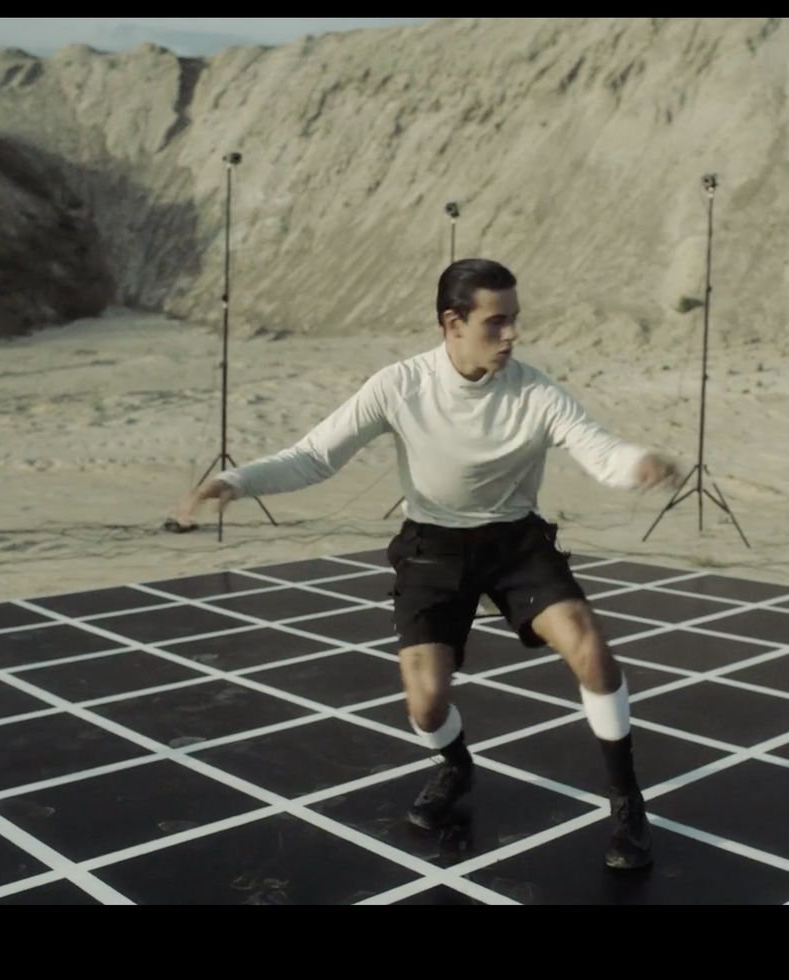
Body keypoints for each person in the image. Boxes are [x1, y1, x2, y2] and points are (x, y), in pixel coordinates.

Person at [170, 258, 678, 869]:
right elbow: (314, 457)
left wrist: (637, 464)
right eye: (497, 323)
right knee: (426, 704)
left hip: (515, 542)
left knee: (590, 648)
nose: (512, 335)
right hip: (431, 548)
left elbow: (602, 453)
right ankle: (457, 767)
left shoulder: (537, 391)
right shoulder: (399, 385)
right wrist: (235, 480)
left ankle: (626, 801)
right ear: (452, 323)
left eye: (515, 321)